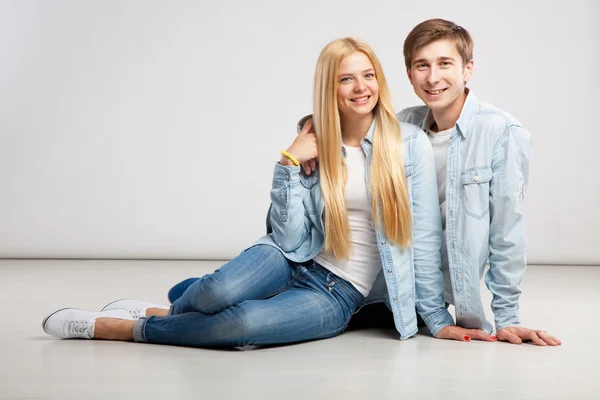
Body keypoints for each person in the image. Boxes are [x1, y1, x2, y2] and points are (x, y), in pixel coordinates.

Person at [42, 37, 490, 347]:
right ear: (329, 88)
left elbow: (425, 239)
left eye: (368, 75)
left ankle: (131, 325)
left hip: (337, 294)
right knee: (217, 293)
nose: (361, 88)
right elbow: (287, 232)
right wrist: (288, 164)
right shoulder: (314, 140)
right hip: (291, 257)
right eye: (346, 78)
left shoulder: (406, 143)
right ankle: (181, 302)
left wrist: (434, 319)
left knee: (241, 325)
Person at [299, 20, 561, 346]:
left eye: (445, 64)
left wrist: (507, 317)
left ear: (468, 69)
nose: (433, 77)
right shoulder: (404, 126)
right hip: (381, 289)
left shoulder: (500, 133)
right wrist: (309, 129)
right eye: (422, 66)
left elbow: (507, 233)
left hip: (432, 306)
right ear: (409, 75)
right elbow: (347, 120)